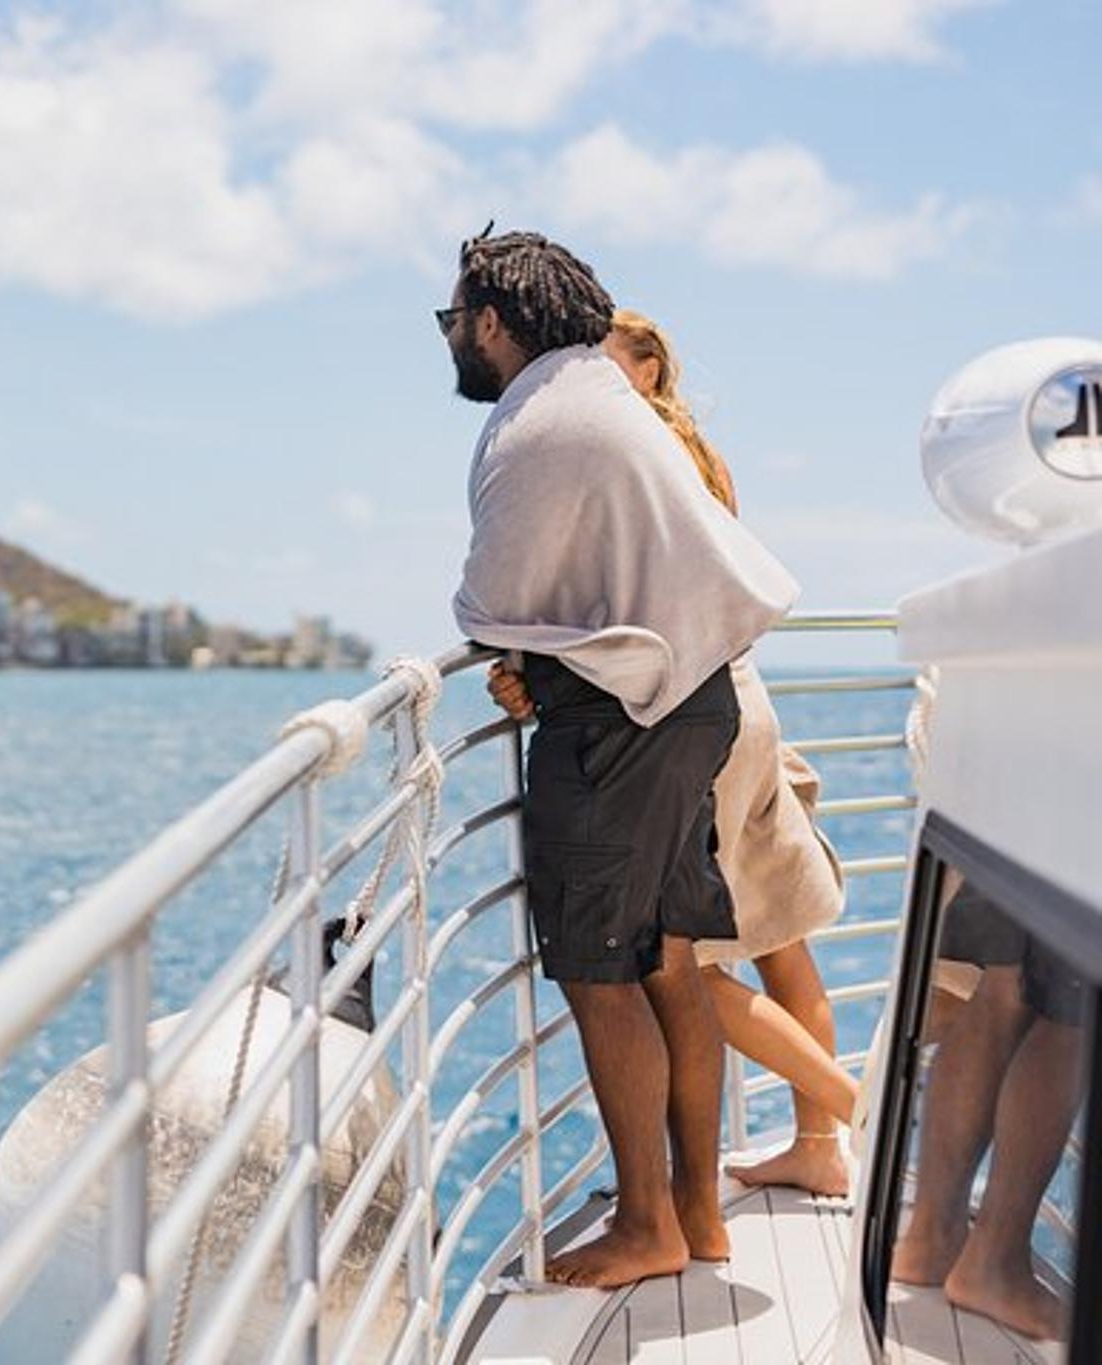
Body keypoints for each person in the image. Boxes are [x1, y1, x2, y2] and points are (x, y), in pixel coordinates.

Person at [442, 228, 798, 1288]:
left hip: (615, 729)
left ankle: (645, 1222)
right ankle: (696, 1213)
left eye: (453, 320)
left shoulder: (536, 419)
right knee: (667, 962)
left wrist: (517, 660)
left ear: (493, 322)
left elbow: (492, 594)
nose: (453, 339)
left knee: (599, 974)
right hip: (688, 705)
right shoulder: (595, 394)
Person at [486, 308, 857, 1198]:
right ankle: (815, 1143)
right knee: (775, 936)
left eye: (605, 364)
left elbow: (613, 603)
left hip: (681, 707)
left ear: (648, 367)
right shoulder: (695, 455)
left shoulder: (635, 451)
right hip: (740, 700)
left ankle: (851, 1104)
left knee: (674, 956)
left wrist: (534, 661)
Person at [889, 878, 1083, 1341]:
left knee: (1001, 986)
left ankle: (930, 1238)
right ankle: (994, 1262)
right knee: (1074, 1013)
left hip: (1010, 814)